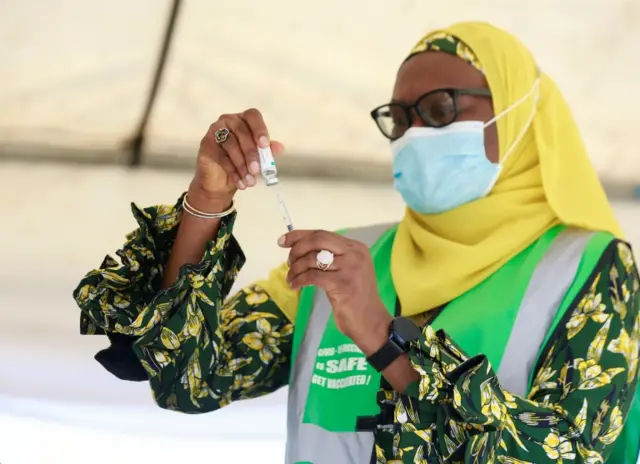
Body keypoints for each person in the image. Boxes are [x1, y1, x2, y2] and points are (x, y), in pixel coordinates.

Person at [74, 21, 640, 463]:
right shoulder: (339, 264)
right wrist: (207, 199)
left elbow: (567, 454)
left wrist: (382, 340)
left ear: (520, 115)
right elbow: (189, 377)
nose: (415, 131)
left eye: (441, 108)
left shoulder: (587, 268)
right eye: (398, 117)